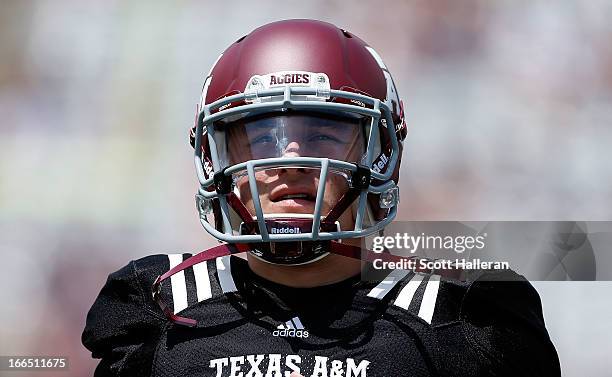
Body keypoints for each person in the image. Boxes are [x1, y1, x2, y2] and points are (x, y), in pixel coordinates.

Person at [82, 19, 560, 377]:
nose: (290, 161)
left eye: (324, 135)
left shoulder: (463, 317)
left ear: (381, 154)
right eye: (260, 137)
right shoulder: (156, 305)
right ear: (215, 158)